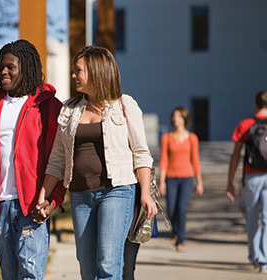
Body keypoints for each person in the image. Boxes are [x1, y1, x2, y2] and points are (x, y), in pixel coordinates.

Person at [34, 46, 157, 280]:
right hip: (80, 195)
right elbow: (57, 159)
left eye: (78, 71)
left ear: (95, 71)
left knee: (108, 264)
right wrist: (44, 195)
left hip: (117, 191)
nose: (73, 76)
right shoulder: (69, 109)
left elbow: (141, 153)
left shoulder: (124, 105)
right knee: (87, 269)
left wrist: (145, 194)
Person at [0, 39, 66, 280]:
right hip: (0, 205)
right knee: (9, 274)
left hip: (32, 205)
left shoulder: (48, 106)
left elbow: (59, 158)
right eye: (0, 67)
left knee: (29, 273)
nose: (3, 72)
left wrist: (53, 199)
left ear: (26, 68)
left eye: (10, 67)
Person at [226, 90, 267, 273]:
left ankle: (255, 256)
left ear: (255, 104)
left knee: (252, 217)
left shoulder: (246, 124)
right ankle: (265, 258)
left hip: (251, 176)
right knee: (266, 218)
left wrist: (230, 181)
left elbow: (236, 155)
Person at [159, 106, 204, 252]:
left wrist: (199, 182)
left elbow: (195, 160)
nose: (175, 119)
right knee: (171, 210)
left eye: (178, 116)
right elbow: (164, 160)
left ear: (184, 118)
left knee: (182, 209)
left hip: (187, 178)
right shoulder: (166, 138)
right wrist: (161, 181)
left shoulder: (192, 138)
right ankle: (175, 232)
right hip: (171, 178)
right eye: (173, 116)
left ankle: (181, 240)